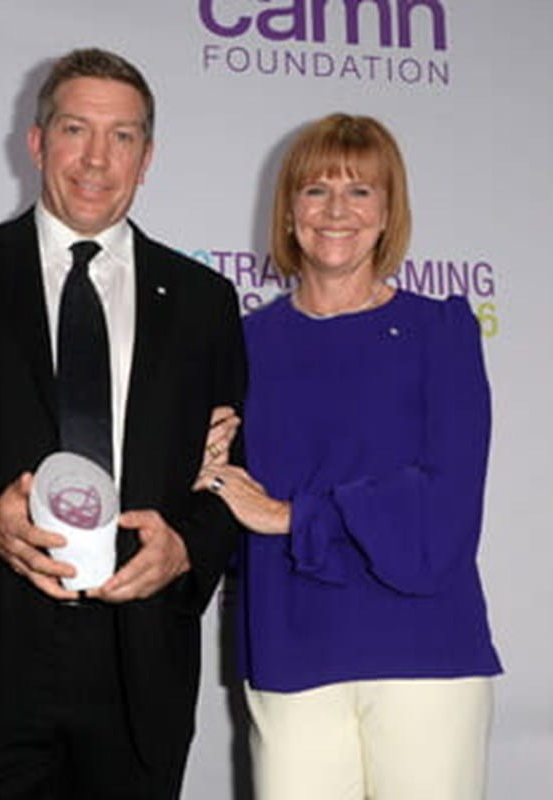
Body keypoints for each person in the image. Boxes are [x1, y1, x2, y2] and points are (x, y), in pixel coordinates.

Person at [0, 47, 246, 799]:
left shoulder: (202, 301)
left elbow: (232, 472)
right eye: (76, 130)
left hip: (140, 675)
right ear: (36, 140)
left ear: (147, 157)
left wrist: (186, 548)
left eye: (122, 137)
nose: (96, 158)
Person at [197, 113, 502, 800]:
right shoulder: (242, 344)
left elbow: (447, 504)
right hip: (289, 644)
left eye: (360, 191)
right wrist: (201, 462)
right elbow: (210, 487)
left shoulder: (441, 331)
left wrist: (291, 515)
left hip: (424, 649)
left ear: (390, 211)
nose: (336, 211)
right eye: (315, 190)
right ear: (288, 210)